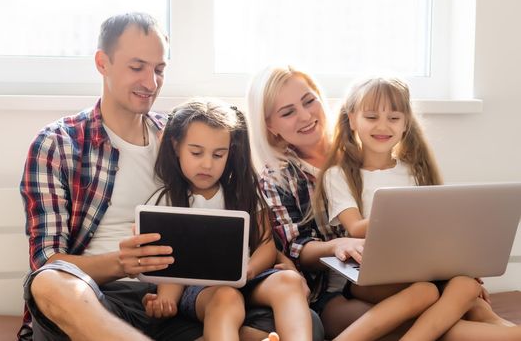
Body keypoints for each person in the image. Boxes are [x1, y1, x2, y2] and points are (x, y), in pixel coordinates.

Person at [18, 13, 280, 341]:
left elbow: (242, 195)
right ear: (103, 62)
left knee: (298, 319)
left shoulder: (181, 137)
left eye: (159, 69)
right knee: (48, 283)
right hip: (99, 299)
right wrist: (122, 263)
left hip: (179, 300)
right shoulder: (59, 143)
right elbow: (47, 261)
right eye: (137, 66)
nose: (151, 83)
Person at [314, 76, 521, 341]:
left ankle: (503, 329)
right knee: (426, 292)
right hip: (363, 278)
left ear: (406, 123)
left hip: (420, 271)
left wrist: (463, 261)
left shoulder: (413, 172)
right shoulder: (339, 174)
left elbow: (440, 233)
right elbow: (355, 228)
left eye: (393, 118)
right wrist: (407, 215)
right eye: (372, 116)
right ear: (352, 119)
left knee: (464, 284)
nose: (382, 126)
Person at [144, 98, 313, 341]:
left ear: (230, 153)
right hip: (200, 290)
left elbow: (266, 246)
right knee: (225, 296)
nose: (207, 164)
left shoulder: (243, 193)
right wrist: (166, 300)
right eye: (196, 152)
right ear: (175, 146)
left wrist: (248, 270)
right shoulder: (166, 200)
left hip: (248, 277)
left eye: (218, 155)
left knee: (290, 280)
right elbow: (169, 264)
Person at [246, 65, 376, 340]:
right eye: (288, 112)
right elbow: (296, 247)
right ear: (271, 126)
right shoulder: (277, 177)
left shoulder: (362, 151)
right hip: (331, 292)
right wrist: (339, 244)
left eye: (309, 101)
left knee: (456, 299)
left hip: (385, 271)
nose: (305, 116)